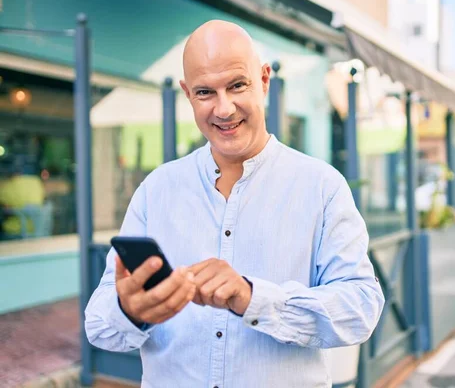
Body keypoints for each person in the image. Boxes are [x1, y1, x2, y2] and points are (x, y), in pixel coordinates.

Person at [85, 20, 385, 388]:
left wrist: (252, 297)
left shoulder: (322, 187)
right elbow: (98, 326)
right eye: (205, 92)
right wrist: (128, 311)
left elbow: (361, 308)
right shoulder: (155, 190)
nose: (224, 109)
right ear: (187, 93)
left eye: (237, 85)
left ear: (264, 80)